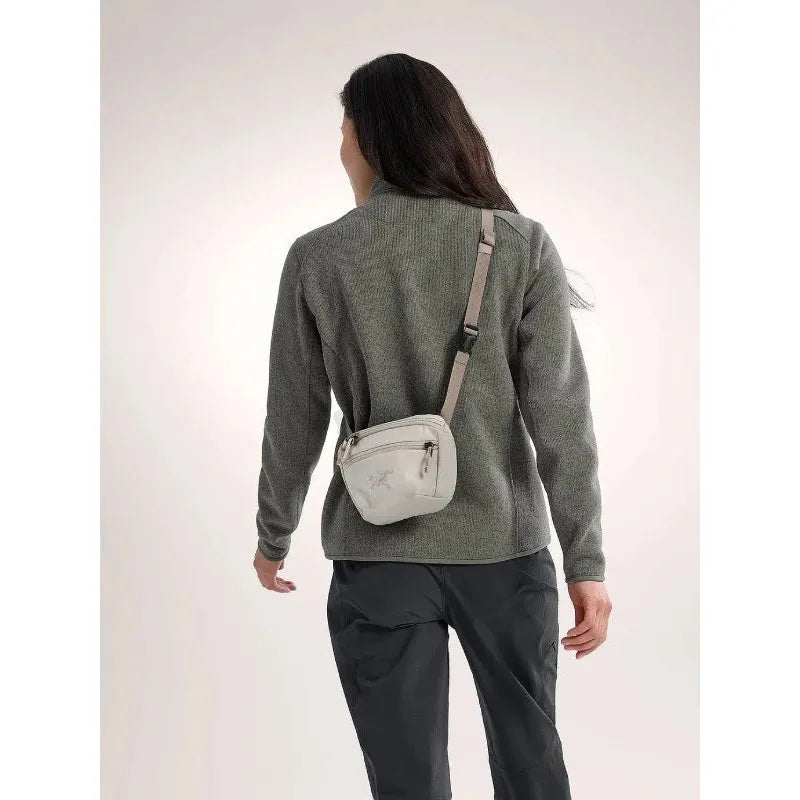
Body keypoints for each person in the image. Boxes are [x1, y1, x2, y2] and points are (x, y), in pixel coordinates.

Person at [252, 52, 611, 800]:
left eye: (343, 129)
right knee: (532, 767)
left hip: (376, 556)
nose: (340, 147)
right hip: (504, 551)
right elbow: (562, 419)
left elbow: (294, 415)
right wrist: (586, 561)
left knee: (405, 780)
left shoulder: (317, 257)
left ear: (370, 136)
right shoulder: (518, 244)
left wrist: (272, 535)